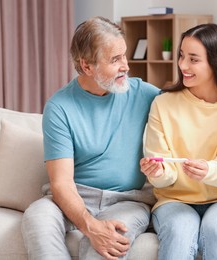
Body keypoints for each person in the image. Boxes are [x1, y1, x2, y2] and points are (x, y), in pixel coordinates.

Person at [21, 16, 160, 260]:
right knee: (37, 217)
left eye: (124, 55)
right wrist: (89, 225)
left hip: (127, 200)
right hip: (75, 196)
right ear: (87, 66)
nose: (126, 66)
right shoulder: (59, 107)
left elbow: (191, 104)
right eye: (115, 60)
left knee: (104, 246)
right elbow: (62, 183)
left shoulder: (146, 95)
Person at [139, 23, 217, 260]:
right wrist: (158, 172)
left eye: (193, 59)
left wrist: (207, 171)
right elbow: (163, 172)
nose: (183, 65)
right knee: (180, 230)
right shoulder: (163, 104)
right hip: (174, 199)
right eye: (181, 56)